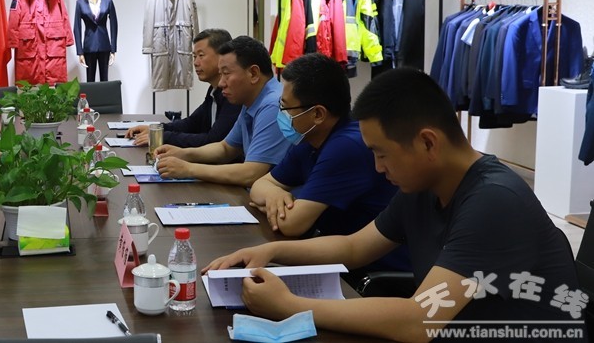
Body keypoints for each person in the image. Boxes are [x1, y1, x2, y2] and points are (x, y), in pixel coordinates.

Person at [204, 68, 585, 342]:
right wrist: (270, 251)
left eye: (382, 154)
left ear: (427, 142)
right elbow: (353, 247)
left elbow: (419, 320)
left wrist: (289, 306)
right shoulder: (424, 185)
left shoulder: (494, 201)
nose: (377, 167)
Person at [249, 53, 409, 275]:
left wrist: (272, 200)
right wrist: (274, 195)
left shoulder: (347, 146)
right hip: (337, 258)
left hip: (373, 274)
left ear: (317, 114)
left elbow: (291, 225)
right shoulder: (309, 139)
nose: (281, 114)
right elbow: (259, 185)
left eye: (286, 108)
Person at [154, 36, 289, 186]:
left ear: (253, 73)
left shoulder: (272, 105)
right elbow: (225, 148)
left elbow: (251, 173)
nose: (221, 83)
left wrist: (189, 169)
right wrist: (183, 153)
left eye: (226, 73)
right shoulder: (251, 99)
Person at [125, 29, 241, 148]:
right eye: (194, 56)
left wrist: (163, 137)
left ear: (222, 56)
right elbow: (192, 123)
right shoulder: (214, 91)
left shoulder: (233, 96)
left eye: (201, 55)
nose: (195, 62)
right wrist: (156, 129)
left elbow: (213, 141)